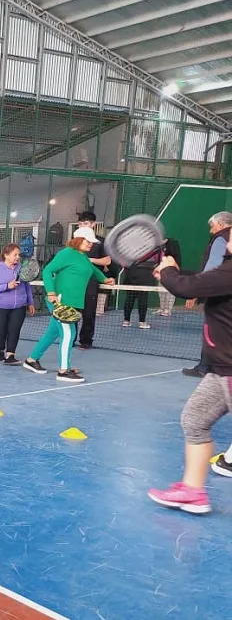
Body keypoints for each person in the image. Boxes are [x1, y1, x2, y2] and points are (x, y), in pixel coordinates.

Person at [147, 246, 232, 514]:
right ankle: (193, 491)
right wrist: (174, 272)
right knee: (194, 420)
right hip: (221, 367)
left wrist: (171, 271)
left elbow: (187, 289)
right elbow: (199, 283)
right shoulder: (226, 269)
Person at [22, 228, 114, 383]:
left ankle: (31, 360)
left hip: (74, 302)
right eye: (88, 241)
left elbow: (92, 270)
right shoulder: (66, 254)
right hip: (60, 301)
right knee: (69, 333)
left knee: (53, 333)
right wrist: (51, 292)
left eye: (92, 242)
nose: (91, 244)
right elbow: (48, 271)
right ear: (78, 239)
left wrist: (105, 279)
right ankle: (63, 371)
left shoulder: (83, 257)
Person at [183, 211, 232, 378]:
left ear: (220, 225)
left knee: (211, 330)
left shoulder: (220, 239)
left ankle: (205, 368)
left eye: (212, 227)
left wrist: (195, 292)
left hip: (219, 294)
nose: (211, 231)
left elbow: (212, 267)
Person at [0, 243, 36, 366]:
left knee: (14, 330)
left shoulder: (21, 268)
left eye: (18, 255)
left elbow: (26, 286)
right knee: (1, 330)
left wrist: (30, 302)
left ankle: (10, 355)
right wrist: (7, 286)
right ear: (6, 255)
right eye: (15, 255)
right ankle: (1, 349)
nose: (17, 257)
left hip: (19, 306)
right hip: (0, 307)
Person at [75, 211, 111, 350]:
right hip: (75, 282)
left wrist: (89, 260)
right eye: (80, 224)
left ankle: (86, 341)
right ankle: (70, 339)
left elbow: (107, 260)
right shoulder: (74, 242)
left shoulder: (100, 242)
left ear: (93, 224)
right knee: (71, 311)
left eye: (86, 223)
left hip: (91, 281)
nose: (83, 226)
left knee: (89, 313)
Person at [153, 236, 181, 317]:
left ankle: (168, 310)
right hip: (161, 272)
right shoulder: (158, 248)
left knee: (170, 291)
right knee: (161, 291)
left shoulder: (172, 246)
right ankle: (162, 308)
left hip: (171, 272)